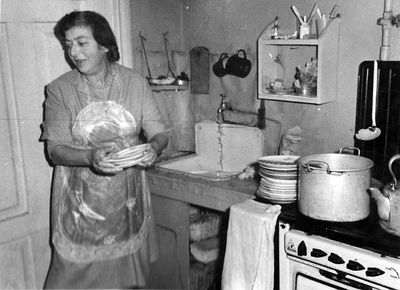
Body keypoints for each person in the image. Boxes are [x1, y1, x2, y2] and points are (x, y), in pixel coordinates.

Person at [40, 10, 169, 289]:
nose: (73, 52)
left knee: (127, 283)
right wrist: (90, 157)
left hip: (128, 205)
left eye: (81, 43)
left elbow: (159, 133)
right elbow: (55, 150)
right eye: (68, 44)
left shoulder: (135, 82)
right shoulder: (60, 90)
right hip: (80, 211)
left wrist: (153, 148)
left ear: (105, 44)